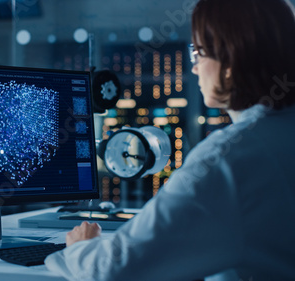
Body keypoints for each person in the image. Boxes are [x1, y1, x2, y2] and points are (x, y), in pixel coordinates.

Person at [45, 0, 295, 280]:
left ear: (230, 60)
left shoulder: (229, 157)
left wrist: (81, 247)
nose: (196, 68)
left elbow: (114, 268)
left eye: (199, 53)